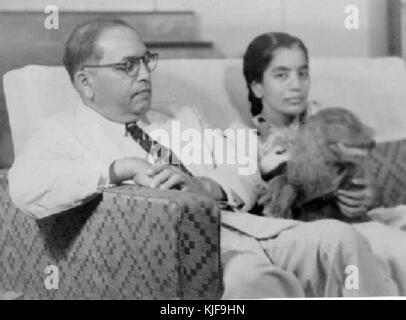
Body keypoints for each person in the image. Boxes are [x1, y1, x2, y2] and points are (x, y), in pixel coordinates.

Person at [8, 19, 397, 298]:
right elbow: (24, 187)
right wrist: (118, 169)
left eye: (146, 60)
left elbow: (247, 171)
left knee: (340, 239)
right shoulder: (62, 133)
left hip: (249, 227)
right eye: (128, 66)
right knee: (251, 280)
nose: (144, 74)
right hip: (193, 253)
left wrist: (208, 186)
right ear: (85, 82)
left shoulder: (180, 116)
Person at [241, 31, 406, 295]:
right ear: (257, 86)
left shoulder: (327, 120)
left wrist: (367, 195)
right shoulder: (246, 138)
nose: (296, 85)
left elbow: (361, 165)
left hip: (358, 220)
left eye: (302, 73)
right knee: (391, 247)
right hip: (312, 232)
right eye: (281, 75)